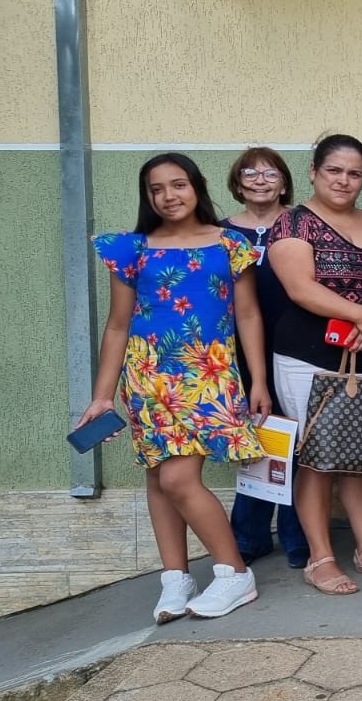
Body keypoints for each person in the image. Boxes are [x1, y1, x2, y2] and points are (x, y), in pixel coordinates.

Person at [79, 153, 270, 622]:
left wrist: (258, 379)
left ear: (197, 186)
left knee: (179, 479)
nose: (169, 196)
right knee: (159, 479)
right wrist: (103, 395)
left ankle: (234, 573)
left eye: (178, 184)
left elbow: (247, 314)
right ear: (147, 196)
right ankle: (175, 578)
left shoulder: (230, 244)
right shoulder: (132, 249)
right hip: (146, 378)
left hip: (207, 373)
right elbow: (117, 327)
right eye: (157, 189)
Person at [265, 135, 362, 595]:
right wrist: (361, 314)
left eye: (354, 173)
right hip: (308, 358)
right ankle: (320, 557)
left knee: (360, 457)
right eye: (334, 171)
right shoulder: (293, 223)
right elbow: (300, 287)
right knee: (317, 459)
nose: (344, 181)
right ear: (314, 172)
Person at [222, 147, 308, 569]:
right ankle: (250, 535)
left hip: (295, 345)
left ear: (284, 180)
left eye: (269, 172)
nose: (259, 179)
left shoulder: (301, 224)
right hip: (236, 351)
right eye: (250, 172)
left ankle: (297, 536)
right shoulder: (218, 232)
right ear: (237, 182)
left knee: (296, 437)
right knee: (254, 437)